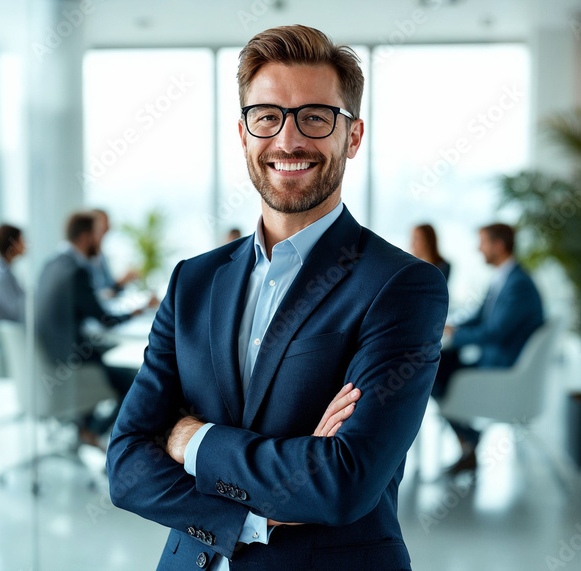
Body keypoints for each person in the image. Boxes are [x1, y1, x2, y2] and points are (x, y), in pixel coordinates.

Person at [106, 26, 448, 570]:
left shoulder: (401, 286)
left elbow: (342, 481)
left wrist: (191, 440)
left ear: (353, 136)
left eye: (315, 117)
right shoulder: (193, 281)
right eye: (267, 116)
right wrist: (254, 516)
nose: (288, 141)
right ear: (243, 133)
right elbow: (125, 465)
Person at [432, 223, 544, 475]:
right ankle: (468, 441)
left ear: (499, 246)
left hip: (503, 368)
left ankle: (469, 439)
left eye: (482, 242)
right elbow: (482, 317)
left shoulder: (518, 285)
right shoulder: (506, 277)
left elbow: (495, 332)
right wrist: (452, 329)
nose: (478, 249)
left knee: (433, 369)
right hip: (496, 359)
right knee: (436, 363)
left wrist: (455, 337)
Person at [35, 212, 155, 445]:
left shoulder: (53, 264)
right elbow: (105, 320)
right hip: (71, 365)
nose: (100, 241)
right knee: (139, 381)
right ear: (85, 237)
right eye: (97, 235)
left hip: (52, 360)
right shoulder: (76, 271)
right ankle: (94, 431)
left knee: (104, 351)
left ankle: (86, 426)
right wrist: (138, 310)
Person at [90, 208, 139, 297]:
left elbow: (109, 287)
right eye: (104, 223)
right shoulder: (85, 259)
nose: (108, 227)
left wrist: (123, 281)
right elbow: (101, 294)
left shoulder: (101, 256)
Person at [0, 224, 26, 324]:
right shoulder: (3, 278)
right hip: (12, 333)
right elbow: (19, 311)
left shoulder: (1, 272)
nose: (25, 245)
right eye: (22, 240)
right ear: (13, 245)